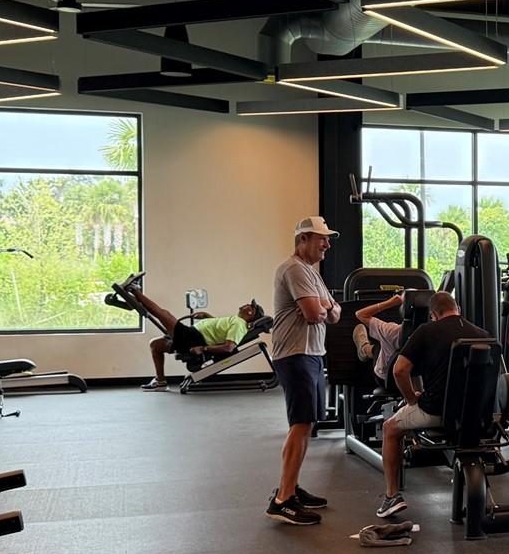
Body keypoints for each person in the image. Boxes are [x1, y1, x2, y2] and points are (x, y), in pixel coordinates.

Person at [377, 291, 489, 519]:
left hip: (435, 412)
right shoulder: (482, 334)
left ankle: (392, 496)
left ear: (434, 315)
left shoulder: (426, 331)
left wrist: (411, 399)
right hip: (476, 414)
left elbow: (399, 371)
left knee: (390, 428)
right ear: (458, 309)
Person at [265, 216, 343, 526]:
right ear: (303, 240)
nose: (327, 245)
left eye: (328, 239)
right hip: (295, 354)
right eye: (321, 239)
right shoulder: (294, 269)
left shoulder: (312, 273)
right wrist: (323, 305)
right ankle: (283, 500)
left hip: (310, 353)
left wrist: (325, 305)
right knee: (300, 424)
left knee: (305, 423)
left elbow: (335, 314)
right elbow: (314, 314)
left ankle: (291, 487)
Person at [111, 276, 263, 391]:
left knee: (164, 314)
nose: (246, 304)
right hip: (193, 335)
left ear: (250, 312)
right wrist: (207, 316)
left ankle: (133, 289)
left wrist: (203, 349)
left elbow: (229, 347)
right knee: (156, 345)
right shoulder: (235, 320)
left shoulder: (239, 324)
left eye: (250, 306)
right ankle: (161, 382)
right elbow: (219, 331)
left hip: (194, 339)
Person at [351, 293, 405, 387]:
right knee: (386, 343)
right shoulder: (429, 330)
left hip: (388, 381)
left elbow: (360, 314)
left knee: (381, 345)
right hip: (420, 381)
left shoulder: (392, 330)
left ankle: (364, 348)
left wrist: (390, 302)